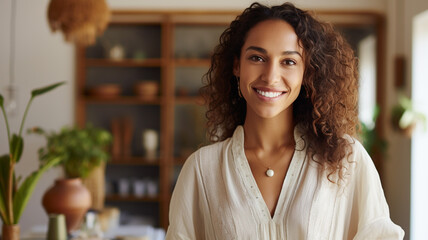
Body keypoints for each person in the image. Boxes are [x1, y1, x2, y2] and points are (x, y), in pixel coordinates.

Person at [165, 2, 405, 239]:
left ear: (307, 72)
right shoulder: (202, 169)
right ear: (237, 65)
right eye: (257, 58)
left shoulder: (346, 159)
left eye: (288, 61)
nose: (270, 77)